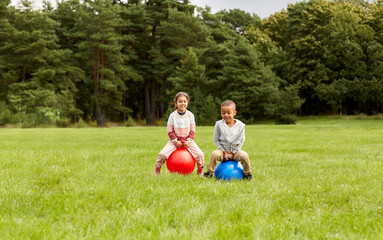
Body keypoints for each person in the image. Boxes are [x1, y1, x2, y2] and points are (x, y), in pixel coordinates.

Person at [154, 92, 204, 176]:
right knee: (162, 154)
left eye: (184, 101)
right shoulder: (172, 116)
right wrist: (175, 141)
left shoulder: (190, 115)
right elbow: (169, 130)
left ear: (187, 102)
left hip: (188, 141)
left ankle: (200, 170)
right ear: (176, 103)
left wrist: (189, 141)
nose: (182, 103)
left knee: (200, 154)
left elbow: (192, 130)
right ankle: (157, 169)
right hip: (174, 141)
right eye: (180, 101)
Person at [203, 100, 254, 180]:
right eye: (223, 113)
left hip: (235, 152)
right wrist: (223, 151)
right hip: (222, 151)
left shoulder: (241, 126)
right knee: (214, 154)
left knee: (244, 155)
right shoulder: (218, 124)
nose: (226, 115)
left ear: (234, 113)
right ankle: (209, 173)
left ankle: (247, 174)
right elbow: (216, 139)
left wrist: (233, 153)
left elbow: (241, 140)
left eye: (228, 113)